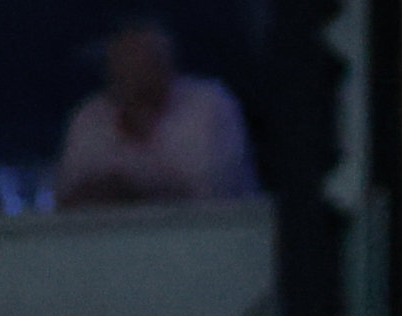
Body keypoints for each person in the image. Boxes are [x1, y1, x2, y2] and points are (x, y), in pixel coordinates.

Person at [59, 16, 256, 200]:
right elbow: (67, 194)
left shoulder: (210, 104)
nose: (130, 75)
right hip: (110, 234)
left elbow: (214, 190)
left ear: (165, 64)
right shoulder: (89, 116)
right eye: (121, 64)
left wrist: (132, 189)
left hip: (211, 232)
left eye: (140, 61)